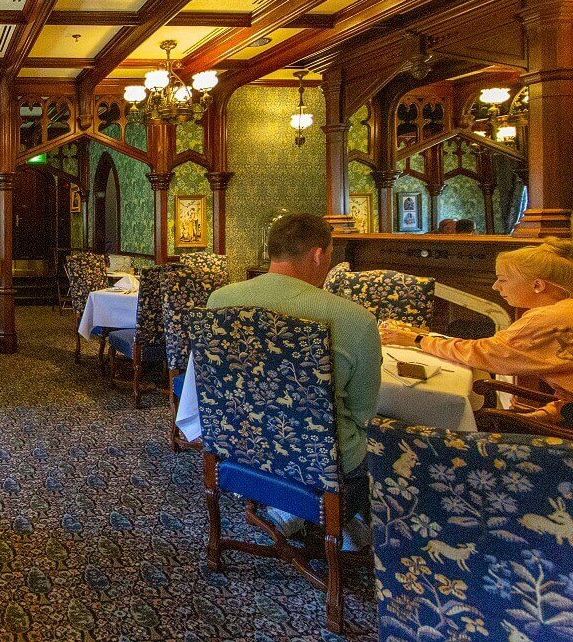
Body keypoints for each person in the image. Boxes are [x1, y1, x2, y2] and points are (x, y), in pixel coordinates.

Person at [206, 212, 382, 548]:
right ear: (319, 254)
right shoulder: (356, 321)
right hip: (324, 470)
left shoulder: (219, 301)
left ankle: (287, 509)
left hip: (239, 450)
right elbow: (364, 414)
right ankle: (341, 524)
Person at [380, 238, 573, 421]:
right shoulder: (563, 310)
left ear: (537, 285)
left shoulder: (546, 319)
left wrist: (418, 341)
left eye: (503, 280)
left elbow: (483, 352)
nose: (496, 286)